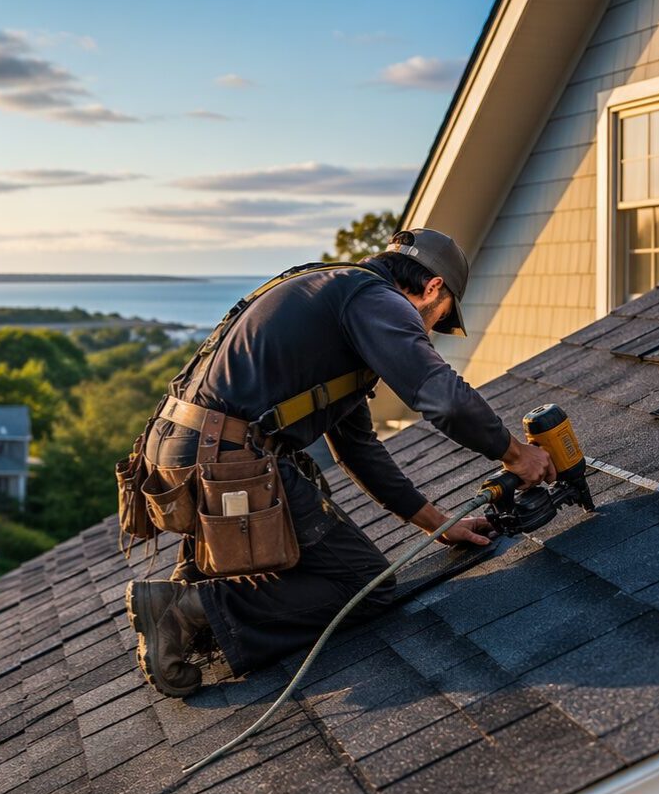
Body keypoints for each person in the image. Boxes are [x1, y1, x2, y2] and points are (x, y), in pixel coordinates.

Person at [126, 228, 556, 698]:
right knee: (363, 584)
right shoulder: (378, 301)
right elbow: (444, 400)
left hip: (177, 448)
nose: (428, 332)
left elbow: (357, 448)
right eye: (440, 318)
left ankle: (189, 595)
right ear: (434, 288)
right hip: (224, 456)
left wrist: (439, 524)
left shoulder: (336, 294)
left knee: (292, 554)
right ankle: (189, 610)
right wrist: (516, 454)